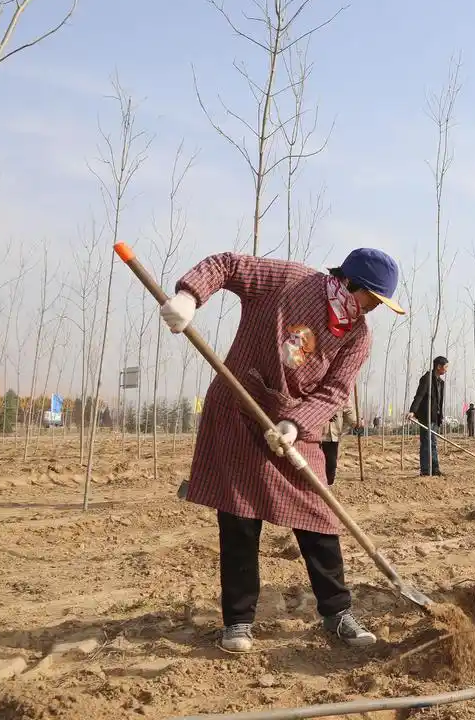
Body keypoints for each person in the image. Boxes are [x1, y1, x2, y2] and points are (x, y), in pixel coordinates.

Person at [158, 247, 404, 653]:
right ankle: (237, 623)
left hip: (294, 423)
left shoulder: (358, 336)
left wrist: (296, 424)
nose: (373, 308)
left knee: (318, 516)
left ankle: (337, 614)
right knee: (239, 517)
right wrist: (189, 295)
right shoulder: (288, 280)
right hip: (240, 407)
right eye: (373, 299)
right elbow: (228, 265)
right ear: (349, 283)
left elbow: (336, 391)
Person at [408, 356, 447, 476]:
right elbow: (419, 396)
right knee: (426, 443)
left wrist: (440, 415)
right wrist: (412, 411)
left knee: (433, 443)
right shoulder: (427, 379)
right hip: (426, 416)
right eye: (445, 367)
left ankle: (435, 469)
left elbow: (439, 401)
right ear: (438, 366)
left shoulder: (441, 383)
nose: (446, 370)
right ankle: (425, 470)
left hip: (435, 416)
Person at [320, 397, 358, 486]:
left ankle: (326, 487)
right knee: (319, 462)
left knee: (330, 464)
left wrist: (354, 424)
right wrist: (324, 413)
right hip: (317, 434)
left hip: (331, 435)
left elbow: (350, 415)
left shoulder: (342, 396)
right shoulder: (318, 390)